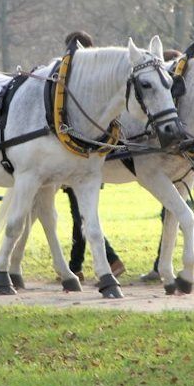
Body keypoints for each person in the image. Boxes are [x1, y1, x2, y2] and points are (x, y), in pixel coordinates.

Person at [60, 31, 125, 279]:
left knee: (81, 215)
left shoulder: (77, 78)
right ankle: (79, 264)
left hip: (77, 157)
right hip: (88, 156)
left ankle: (103, 261)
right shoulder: (95, 79)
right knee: (82, 214)